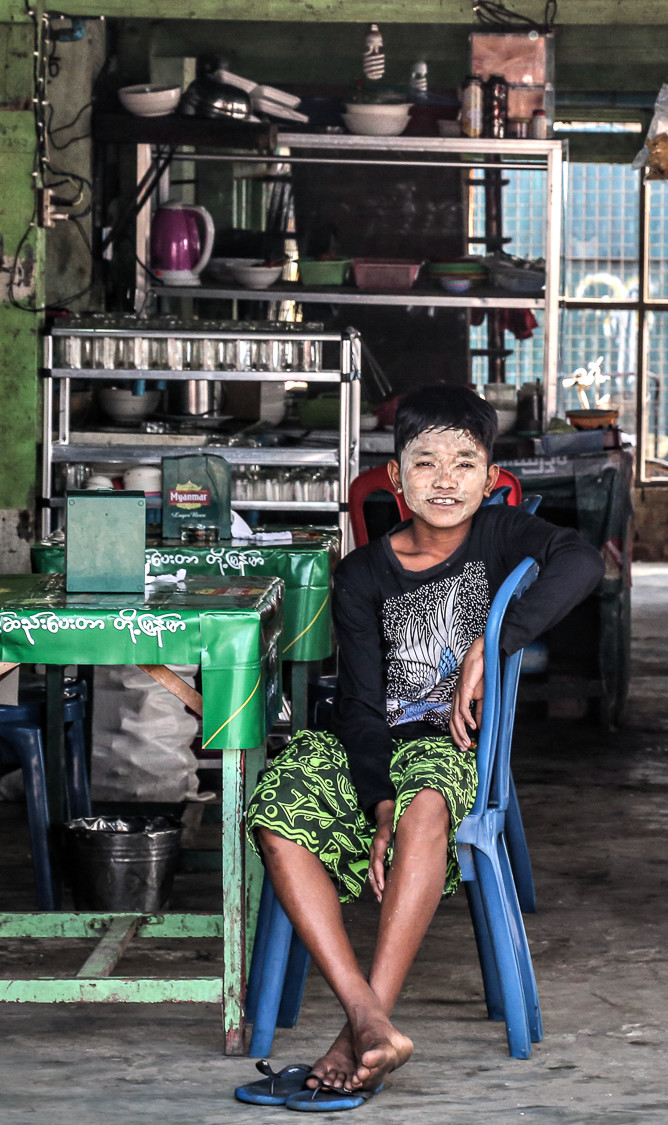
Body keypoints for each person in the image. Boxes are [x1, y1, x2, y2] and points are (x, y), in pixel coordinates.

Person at [243, 385, 603, 1105]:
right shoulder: (361, 576)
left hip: (450, 747)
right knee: (274, 803)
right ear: (395, 478)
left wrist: (492, 637)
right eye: (426, 462)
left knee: (428, 803)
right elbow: (359, 707)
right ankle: (370, 1016)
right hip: (369, 746)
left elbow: (583, 561)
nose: (445, 479)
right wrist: (376, 800)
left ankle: (355, 1039)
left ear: (492, 479)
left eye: (465, 463)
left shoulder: (502, 538)